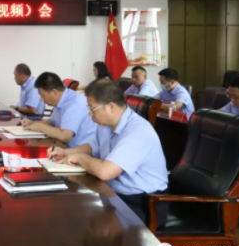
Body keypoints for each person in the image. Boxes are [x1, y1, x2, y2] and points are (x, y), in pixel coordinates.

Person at [49, 79, 168, 227]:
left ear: (111, 107)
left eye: (92, 109)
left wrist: (79, 157)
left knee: (90, 226)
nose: (90, 114)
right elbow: (93, 146)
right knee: (71, 211)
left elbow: (105, 172)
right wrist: (66, 152)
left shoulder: (138, 131)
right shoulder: (105, 125)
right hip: (115, 194)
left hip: (144, 202)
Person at [21, 72, 97, 147]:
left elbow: (65, 136)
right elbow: (52, 121)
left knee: (35, 146)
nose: (41, 99)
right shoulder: (60, 100)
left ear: (54, 92)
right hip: (67, 147)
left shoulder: (74, 103)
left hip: (83, 150)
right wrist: (33, 123)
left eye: (43, 95)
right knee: (32, 143)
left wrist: (39, 126)